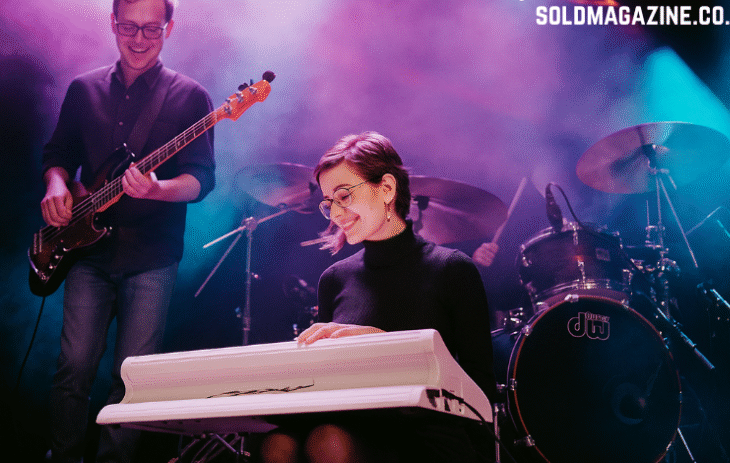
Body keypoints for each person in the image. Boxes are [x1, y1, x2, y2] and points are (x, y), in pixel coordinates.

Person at [40, 0, 215, 461]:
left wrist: (157, 189)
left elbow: (201, 181)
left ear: (169, 29)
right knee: (73, 368)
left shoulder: (191, 96)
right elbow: (57, 154)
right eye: (129, 27)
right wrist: (56, 185)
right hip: (86, 253)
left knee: (132, 379)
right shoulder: (83, 89)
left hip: (151, 257)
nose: (139, 39)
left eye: (151, 29)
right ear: (112, 24)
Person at [259, 132, 495, 463]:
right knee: (278, 444)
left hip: (426, 433)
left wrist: (383, 345)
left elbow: (478, 388)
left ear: (386, 188)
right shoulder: (334, 279)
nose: (335, 214)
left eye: (344, 196)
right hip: (352, 421)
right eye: (328, 203)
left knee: (329, 442)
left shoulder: (452, 269)